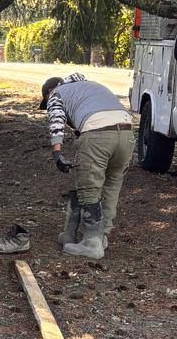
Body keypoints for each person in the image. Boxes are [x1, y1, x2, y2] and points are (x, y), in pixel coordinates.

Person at [39, 72, 135, 260]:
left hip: (98, 133)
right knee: (112, 185)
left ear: (49, 90)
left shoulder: (56, 93)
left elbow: (57, 121)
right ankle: (101, 237)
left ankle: (91, 243)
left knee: (89, 187)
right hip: (127, 133)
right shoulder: (91, 86)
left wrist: (57, 153)